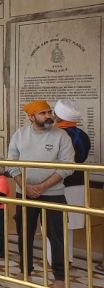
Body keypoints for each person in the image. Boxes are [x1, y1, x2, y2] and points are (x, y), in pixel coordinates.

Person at [7, 100, 74, 288]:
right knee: (25, 233)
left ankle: (59, 277)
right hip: (24, 193)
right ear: (31, 117)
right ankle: (25, 270)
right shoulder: (19, 135)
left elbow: (68, 166)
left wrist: (43, 186)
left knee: (56, 236)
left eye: (49, 112)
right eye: (43, 113)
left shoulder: (61, 136)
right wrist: (25, 186)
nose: (48, 116)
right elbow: (11, 163)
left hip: (54, 194)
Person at [52, 99, 90, 266]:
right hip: (78, 181)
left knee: (53, 225)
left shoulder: (55, 135)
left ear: (58, 116)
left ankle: (54, 261)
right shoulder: (83, 135)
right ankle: (67, 259)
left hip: (56, 183)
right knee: (69, 225)